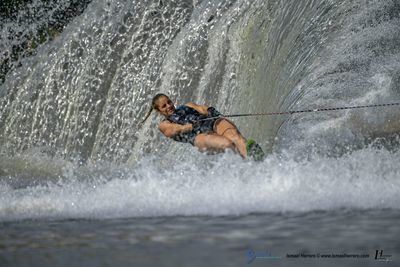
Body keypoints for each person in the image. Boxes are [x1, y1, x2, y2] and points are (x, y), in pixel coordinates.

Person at [142, 93, 264, 160]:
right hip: (197, 136)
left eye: (169, 102)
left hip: (209, 122)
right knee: (227, 144)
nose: (169, 106)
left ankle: (256, 158)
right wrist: (188, 127)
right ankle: (247, 162)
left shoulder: (187, 105)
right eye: (164, 106)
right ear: (159, 110)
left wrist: (210, 110)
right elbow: (173, 130)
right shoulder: (164, 124)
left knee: (235, 137)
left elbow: (201, 109)